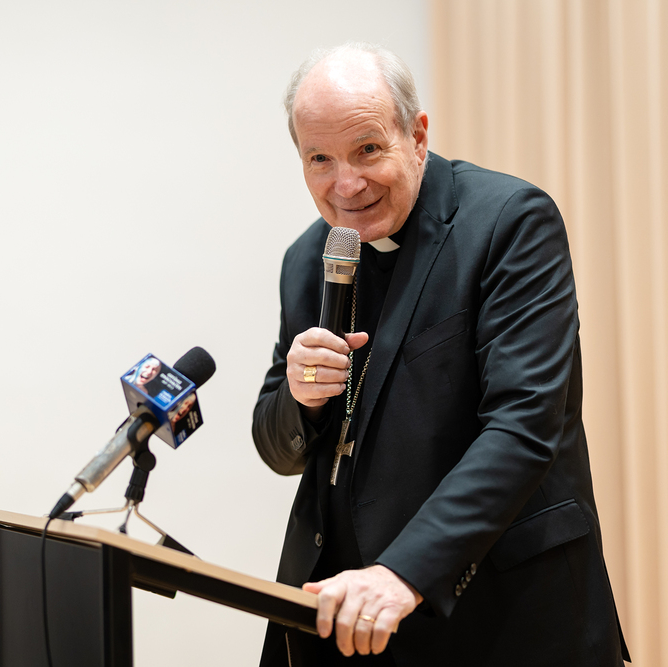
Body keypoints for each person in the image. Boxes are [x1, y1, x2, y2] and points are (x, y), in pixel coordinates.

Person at [252, 43, 629, 667]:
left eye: (367, 149)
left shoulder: (509, 222)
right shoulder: (306, 260)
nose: (346, 184)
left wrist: (403, 571)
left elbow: (523, 428)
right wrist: (302, 398)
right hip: (346, 618)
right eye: (320, 159)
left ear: (417, 136)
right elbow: (277, 447)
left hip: (501, 618)